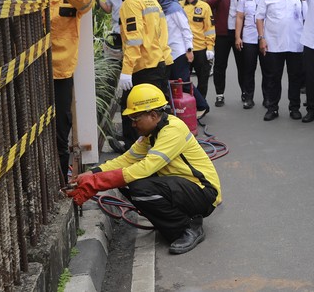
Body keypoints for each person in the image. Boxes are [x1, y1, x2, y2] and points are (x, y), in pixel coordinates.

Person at [66, 84, 221, 255]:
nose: (133, 124)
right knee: (126, 183)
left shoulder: (173, 130)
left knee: (139, 188)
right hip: (182, 187)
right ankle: (173, 221)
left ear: (153, 115)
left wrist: (96, 183)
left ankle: (188, 227)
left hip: (203, 192)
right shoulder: (151, 134)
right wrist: (92, 174)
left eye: (136, 119)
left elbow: (146, 168)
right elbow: (126, 160)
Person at [49, 0, 96, 177]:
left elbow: (86, 2)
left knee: (59, 131)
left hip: (60, 74)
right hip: (29, 70)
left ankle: (58, 180)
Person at [110, 0, 168, 145]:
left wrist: (126, 72)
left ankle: (132, 157)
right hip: (157, 65)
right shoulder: (149, 1)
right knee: (155, 118)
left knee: (134, 117)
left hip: (141, 69)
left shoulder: (131, 4)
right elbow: (160, 34)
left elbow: (135, 40)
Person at [255, 0, 305, 121]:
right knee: (273, 78)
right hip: (273, 43)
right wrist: (261, 38)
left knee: (295, 78)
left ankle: (294, 108)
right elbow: (259, 18)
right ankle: (272, 108)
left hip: (295, 44)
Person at [208, 0, 248, 107]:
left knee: (242, 65)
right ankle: (220, 94)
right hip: (222, 32)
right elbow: (209, 4)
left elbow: (251, 7)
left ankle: (245, 93)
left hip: (239, 33)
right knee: (220, 65)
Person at [179, 0, 215, 118]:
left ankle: (201, 106)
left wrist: (210, 47)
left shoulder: (204, 7)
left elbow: (209, 28)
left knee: (203, 79)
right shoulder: (179, 6)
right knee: (184, 80)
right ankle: (188, 105)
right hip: (184, 50)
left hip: (200, 49)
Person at [235, 0, 268, 109]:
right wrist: (238, 36)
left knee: (267, 70)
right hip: (248, 38)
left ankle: (268, 98)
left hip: (266, 39)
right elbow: (239, 17)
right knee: (248, 69)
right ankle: (248, 98)